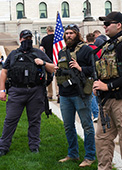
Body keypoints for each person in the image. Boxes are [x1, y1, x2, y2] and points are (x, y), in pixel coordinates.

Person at [0, 29, 57, 157]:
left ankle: (34, 146)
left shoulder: (38, 53)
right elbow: (4, 72)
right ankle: (3, 147)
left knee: (34, 120)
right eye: (25, 38)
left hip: (35, 91)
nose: (27, 40)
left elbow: (53, 68)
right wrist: (2, 90)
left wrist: (43, 63)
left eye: (29, 38)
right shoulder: (13, 54)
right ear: (20, 40)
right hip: (16, 91)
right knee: (10, 120)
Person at [56, 24, 96, 167]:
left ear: (77, 34)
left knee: (87, 126)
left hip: (81, 94)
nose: (68, 35)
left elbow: (95, 69)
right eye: (66, 33)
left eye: (71, 33)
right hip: (65, 95)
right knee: (68, 126)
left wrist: (81, 68)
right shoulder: (62, 51)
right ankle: (72, 154)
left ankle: (90, 156)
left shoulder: (85, 50)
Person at [93, 11, 122, 170]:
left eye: (108, 23)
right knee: (102, 139)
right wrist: (98, 84)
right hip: (106, 101)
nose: (104, 26)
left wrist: (108, 86)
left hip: (120, 100)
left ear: (119, 25)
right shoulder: (108, 45)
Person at [40, 26, 59, 102]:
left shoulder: (44, 39)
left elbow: (41, 49)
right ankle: (58, 93)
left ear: (47, 30)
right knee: (57, 78)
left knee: (49, 78)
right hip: (57, 60)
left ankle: (50, 94)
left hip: (48, 61)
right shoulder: (57, 38)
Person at [86, 33, 101, 123]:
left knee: (91, 94)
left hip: (90, 73)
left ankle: (95, 114)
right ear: (94, 40)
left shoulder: (86, 50)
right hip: (99, 71)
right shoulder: (99, 49)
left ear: (87, 40)